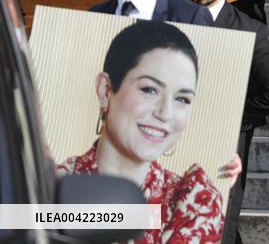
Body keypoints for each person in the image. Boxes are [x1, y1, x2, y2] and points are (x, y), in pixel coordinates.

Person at [58, 23, 231, 243]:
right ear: (105, 90)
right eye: (150, 90)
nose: (165, 113)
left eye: (182, 99)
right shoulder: (45, 190)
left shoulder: (194, 204)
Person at [177, 0, 269, 244]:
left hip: (223, 147)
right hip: (172, 144)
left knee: (219, 226)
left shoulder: (248, 29)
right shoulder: (169, 20)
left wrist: (230, 112)